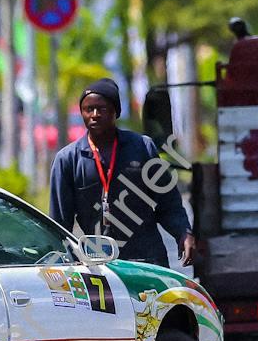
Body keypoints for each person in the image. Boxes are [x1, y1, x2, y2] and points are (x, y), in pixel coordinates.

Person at [49, 79, 195, 267]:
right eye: (88, 109)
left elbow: (167, 202)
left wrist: (183, 232)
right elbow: (60, 222)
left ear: (115, 111)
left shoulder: (142, 147)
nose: (94, 115)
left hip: (147, 260)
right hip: (98, 264)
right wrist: (61, 262)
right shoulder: (67, 159)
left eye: (101, 109)